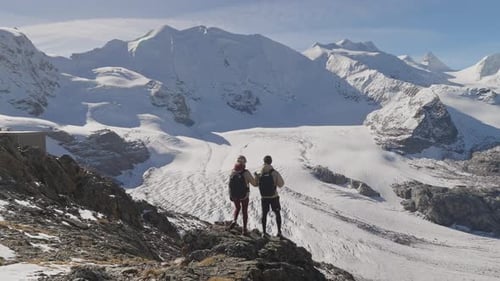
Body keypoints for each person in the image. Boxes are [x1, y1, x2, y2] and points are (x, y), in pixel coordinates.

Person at [255, 155, 285, 237]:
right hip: (274, 197)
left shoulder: (260, 173)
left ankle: (264, 232)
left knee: (264, 214)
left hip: (264, 197)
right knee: (277, 213)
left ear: (264, 162)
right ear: (271, 162)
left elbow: (255, 184)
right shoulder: (274, 172)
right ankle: (279, 232)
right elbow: (281, 184)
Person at [228, 155, 256, 235]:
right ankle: (244, 229)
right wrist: (257, 177)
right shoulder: (246, 172)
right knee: (244, 211)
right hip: (244, 195)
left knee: (237, 208)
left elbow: (230, 184)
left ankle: (234, 220)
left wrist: (231, 194)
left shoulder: (232, 171)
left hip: (234, 195)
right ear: (244, 163)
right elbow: (254, 184)